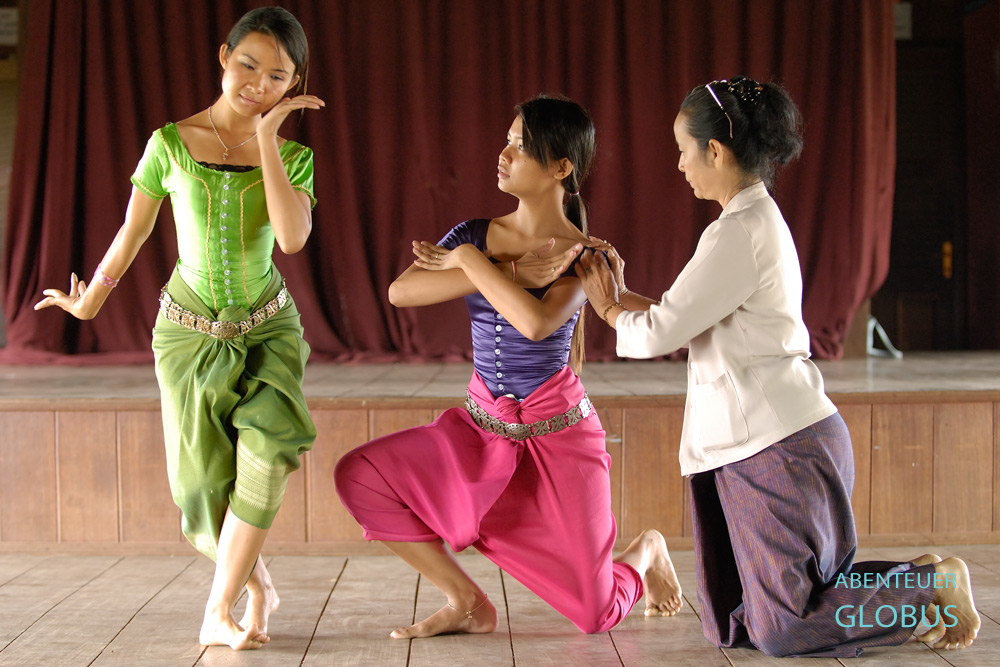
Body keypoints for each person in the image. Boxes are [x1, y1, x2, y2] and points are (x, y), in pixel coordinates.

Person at [575, 75, 980, 657]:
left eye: (684, 150)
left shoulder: (739, 230)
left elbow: (656, 333)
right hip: (767, 444)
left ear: (716, 149)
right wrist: (619, 296)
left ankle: (926, 589)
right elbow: (682, 317)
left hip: (777, 446)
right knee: (736, 621)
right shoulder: (745, 224)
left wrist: (609, 305)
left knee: (786, 624)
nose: (681, 165)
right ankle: (924, 581)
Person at [334, 95, 683, 639]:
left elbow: (536, 324)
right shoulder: (475, 233)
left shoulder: (583, 254)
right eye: (508, 140)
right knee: (361, 474)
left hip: (560, 439)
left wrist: (473, 264)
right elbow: (402, 291)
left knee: (594, 616)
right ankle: (467, 601)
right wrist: (500, 262)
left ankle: (644, 553)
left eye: (520, 146)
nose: (503, 154)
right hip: (481, 427)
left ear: (561, 167)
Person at [34, 7, 324, 651]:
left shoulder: (294, 156)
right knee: (200, 488)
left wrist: (270, 142)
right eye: (248, 64)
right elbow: (132, 231)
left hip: (267, 327)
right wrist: (91, 303)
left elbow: (292, 237)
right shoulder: (169, 143)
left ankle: (215, 611)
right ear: (223, 56)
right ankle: (253, 584)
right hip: (187, 334)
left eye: (277, 76)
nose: (258, 83)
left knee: (269, 451)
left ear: (293, 84)